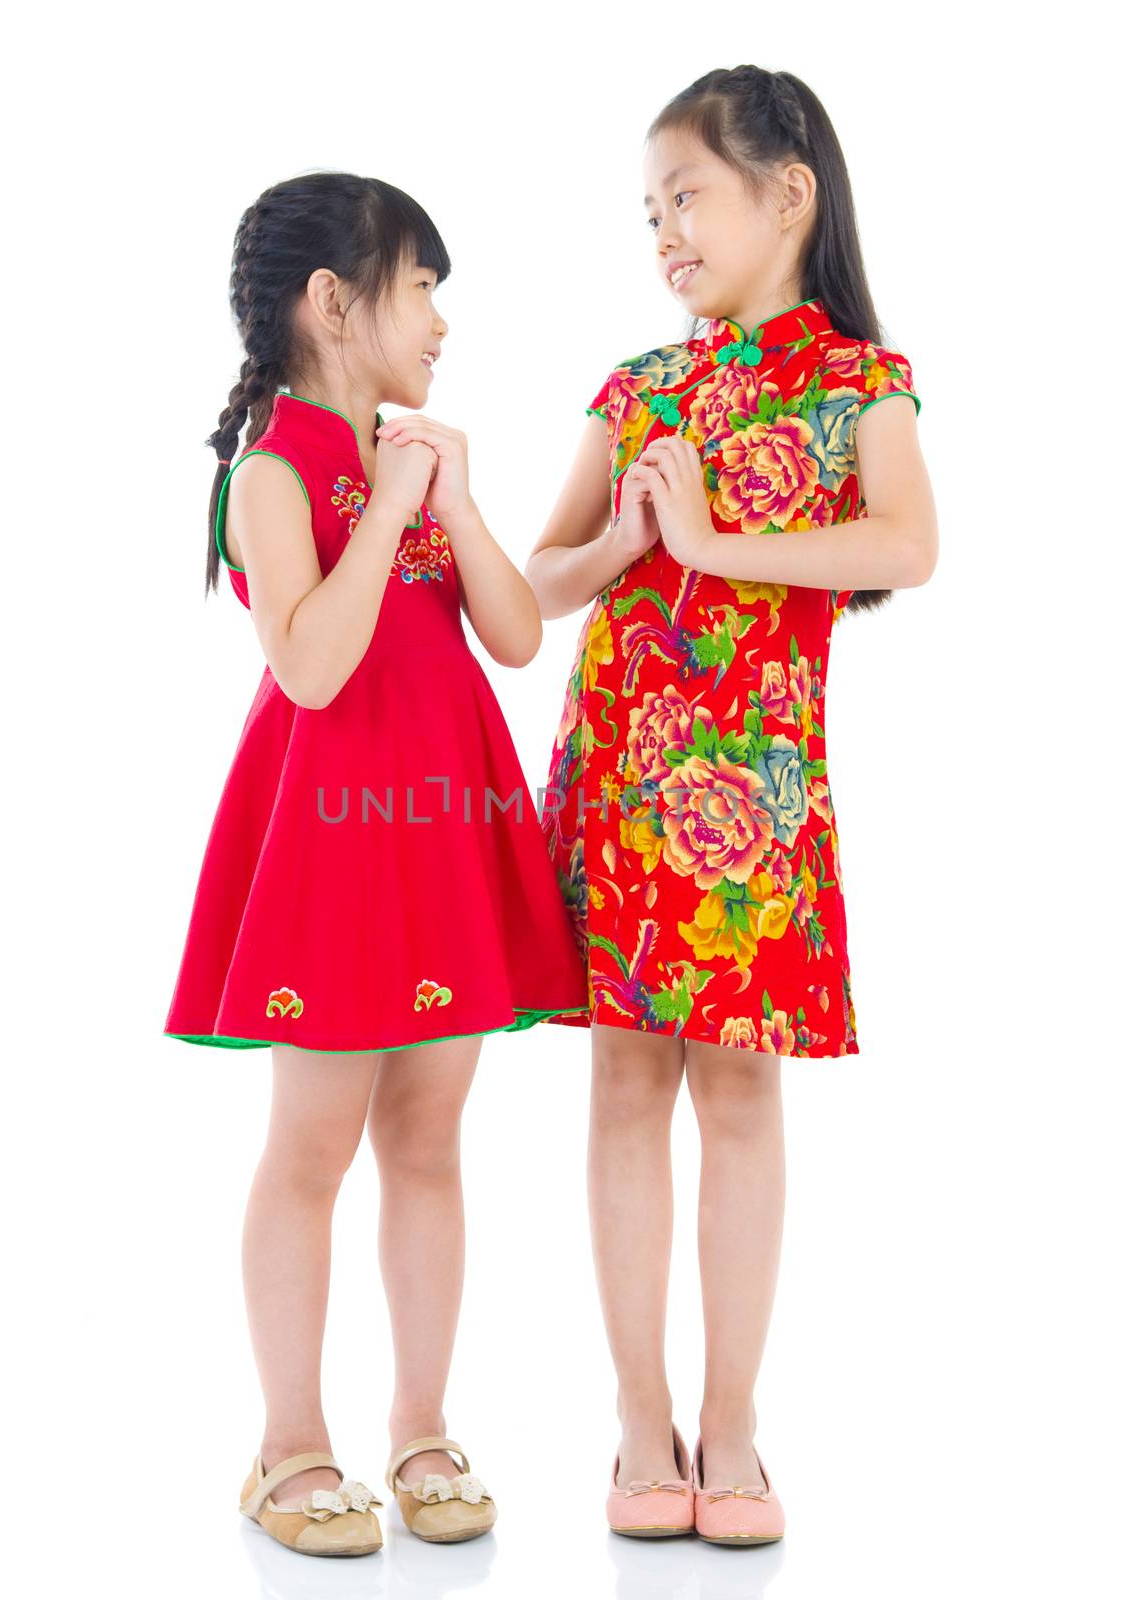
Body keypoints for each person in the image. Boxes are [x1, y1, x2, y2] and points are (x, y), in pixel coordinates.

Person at [527, 65, 937, 1544]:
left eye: (685, 196)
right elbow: (537, 580)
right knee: (627, 1081)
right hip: (628, 781)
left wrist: (715, 542)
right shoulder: (637, 386)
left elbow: (907, 543)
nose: (664, 234)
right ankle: (641, 1422)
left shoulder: (859, 384)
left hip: (756, 796)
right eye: (648, 212)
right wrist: (638, 533)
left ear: (787, 195)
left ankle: (737, 1425)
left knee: (745, 1092)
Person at [163, 172, 588, 1557]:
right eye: (421, 287)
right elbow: (311, 660)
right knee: (313, 1145)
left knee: (427, 1138)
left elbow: (517, 638)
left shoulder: (410, 454)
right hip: (332, 856)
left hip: (441, 836)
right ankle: (289, 1442)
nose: (443, 321)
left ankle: (420, 1422)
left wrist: (450, 501)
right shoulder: (271, 471)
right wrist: (396, 508)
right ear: (334, 303)